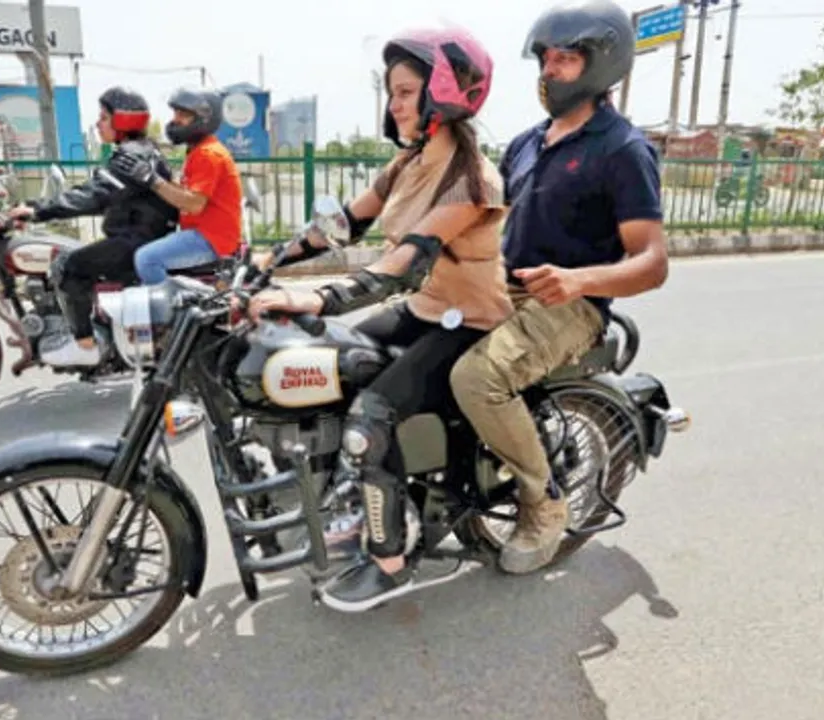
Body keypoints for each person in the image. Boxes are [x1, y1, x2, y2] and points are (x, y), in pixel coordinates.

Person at [248, 27, 507, 612]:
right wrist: (269, 259)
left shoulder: (473, 179)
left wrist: (320, 297)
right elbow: (342, 224)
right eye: (390, 91)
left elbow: (406, 261)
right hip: (424, 313)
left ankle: (390, 564)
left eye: (406, 91)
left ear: (443, 92)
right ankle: (345, 498)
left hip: (469, 323)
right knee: (324, 361)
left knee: (371, 414)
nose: (394, 103)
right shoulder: (407, 164)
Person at [448, 0, 670, 575]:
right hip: (504, 290)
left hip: (571, 307)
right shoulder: (526, 142)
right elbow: (486, 218)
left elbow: (652, 262)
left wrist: (579, 281)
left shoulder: (622, 148)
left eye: (566, 59)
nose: (549, 70)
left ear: (602, 64)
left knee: (480, 377)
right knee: (407, 343)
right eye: (545, 59)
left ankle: (543, 504)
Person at [9, 86, 177, 367]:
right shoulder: (138, 151)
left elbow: (93, 194)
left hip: (135, 241)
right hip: (139, 237)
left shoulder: (131, 156)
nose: (98, 124)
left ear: (121, 121)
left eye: (103, 117)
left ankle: (84, 345)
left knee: (68, 267)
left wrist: (38, 210)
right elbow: (102, 195)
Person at [110, 88, 244, 284]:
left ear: (204, 118)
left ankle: (170, 309)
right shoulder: (198, 151)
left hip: (211, 240)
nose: (175, 120)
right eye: (175, 113)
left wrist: (152, 180)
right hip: (204, 235)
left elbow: (193, 204)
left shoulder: (209, 154)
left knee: (146, 259)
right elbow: (185, 192)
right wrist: (154, 175)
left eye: (183, 115)